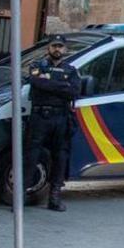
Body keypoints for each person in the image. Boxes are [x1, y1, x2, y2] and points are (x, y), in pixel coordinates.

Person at [24, 34, 81, 212]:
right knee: (31, 156)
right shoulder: (36, 66)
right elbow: (35, 82)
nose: (57, 49)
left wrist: (48, 82)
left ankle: (54, 198)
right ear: (48, 48)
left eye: (60, 46)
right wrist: (60, 86)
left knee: (60, 157)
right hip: (40, 117)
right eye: (54, 46)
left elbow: (74, 92)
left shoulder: (71, 70)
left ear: (65, 49)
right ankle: (21, 196)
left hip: (61, 118)